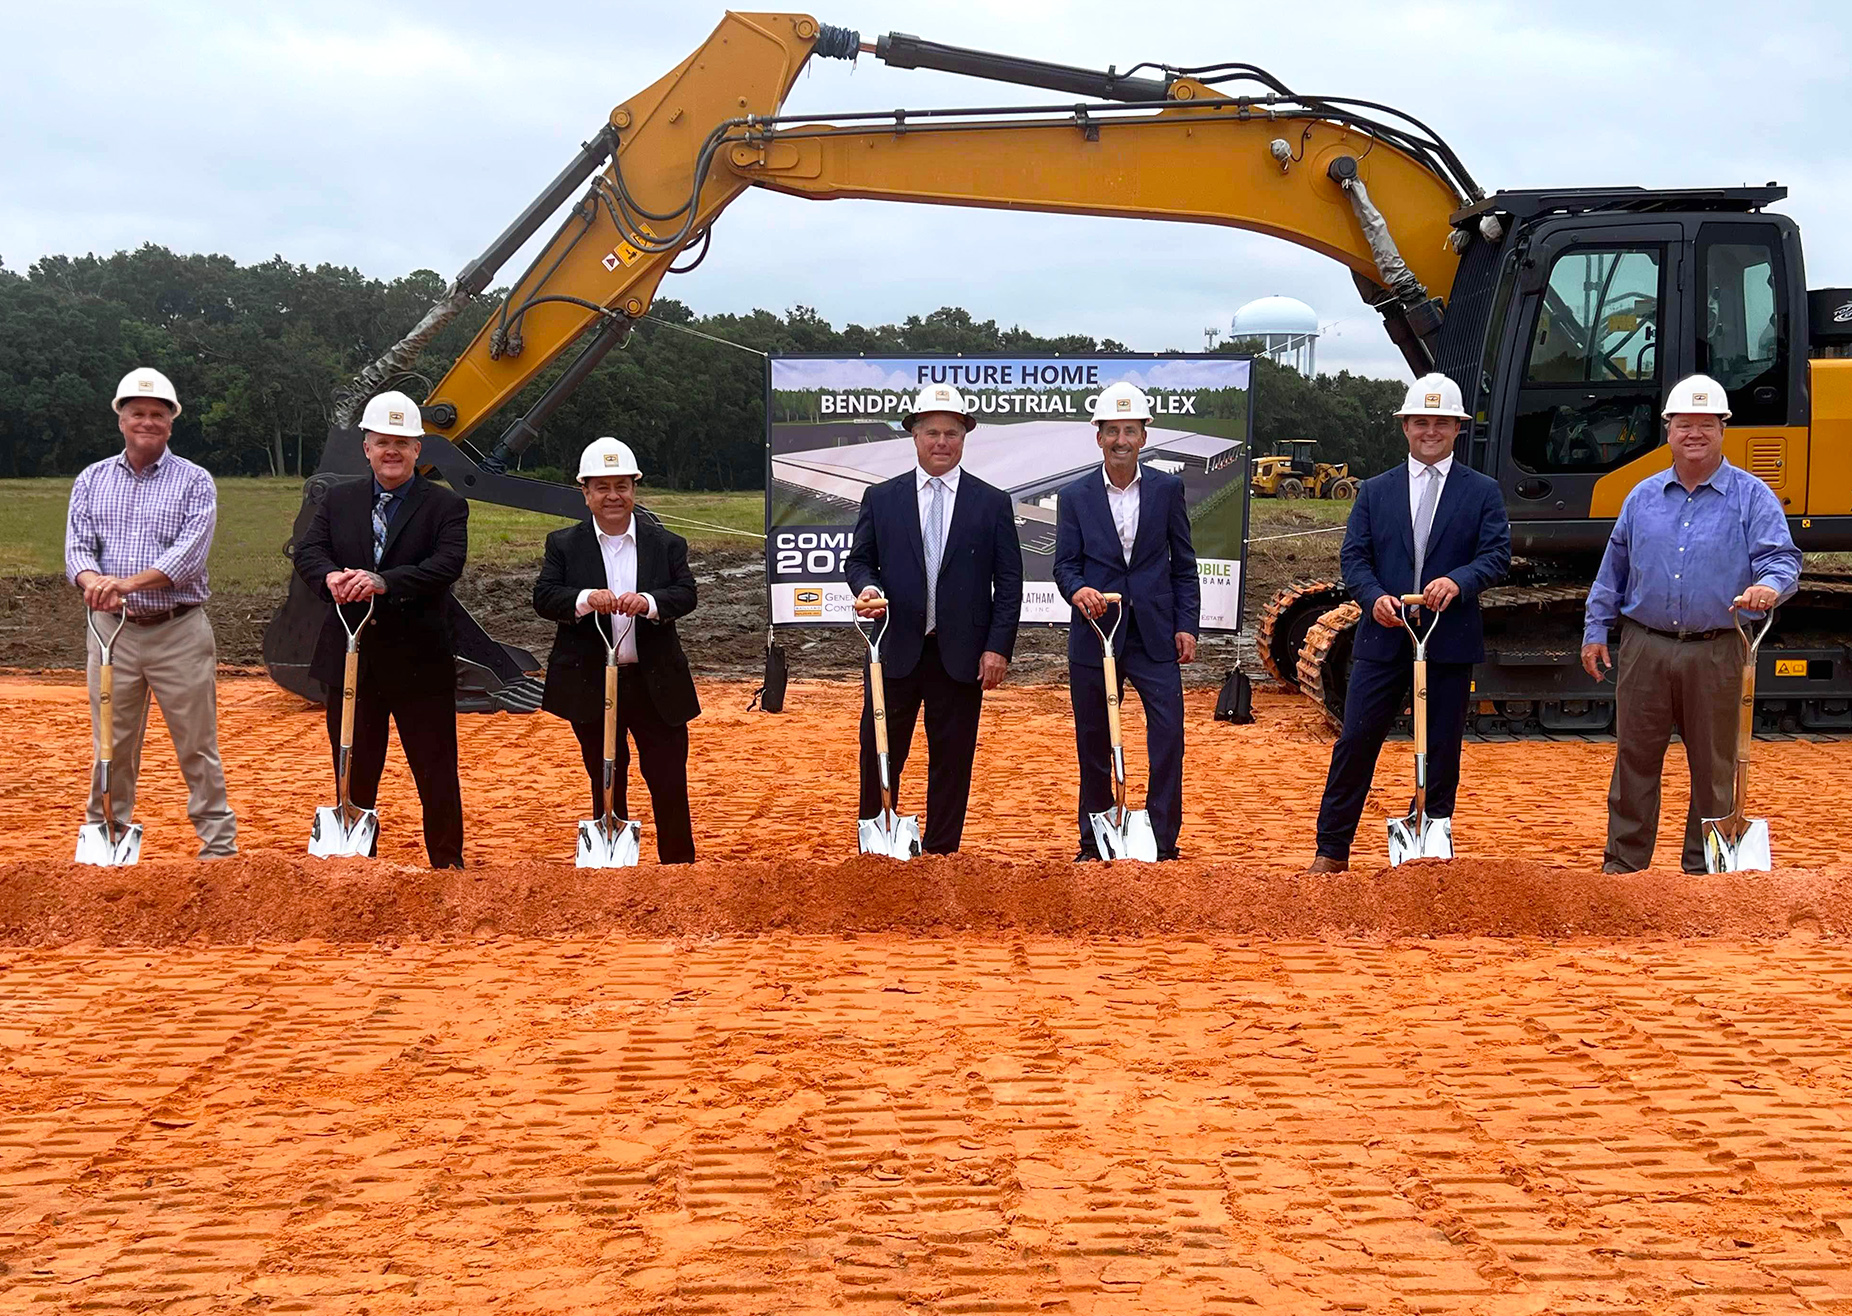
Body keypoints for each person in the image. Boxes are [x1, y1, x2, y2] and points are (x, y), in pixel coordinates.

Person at [1581, 373, 1801, 873]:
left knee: (1715, 766)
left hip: (1720, 646)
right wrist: (1596, 630)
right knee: (1634, 760)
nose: (1695, 433)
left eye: (1707, 424)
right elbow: (1613, 569)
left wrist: (1770, 587)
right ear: (1668, 430)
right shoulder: (1640, 497)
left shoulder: (1752, 497)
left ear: (1723, 429)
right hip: (1645, 645)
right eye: (1685, 424)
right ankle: (1625, 866)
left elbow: (1782, 560)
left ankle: (1704, 871)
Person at [1307, 373, 1511, 872]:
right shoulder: (1375, 492)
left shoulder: (1482, 492)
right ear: (1404, 426)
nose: (1430, 431)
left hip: (1448, 638)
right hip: (1384, 638)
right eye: (1421, 421)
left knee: (1441, 745)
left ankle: (1428, 843)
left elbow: (1496, 556)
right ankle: (1331, 850)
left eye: (1441, 423)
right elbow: (1354, 558)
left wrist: (1459, 582)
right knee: (1356, 740)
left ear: (1457, 429)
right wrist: (1373, 597)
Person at [64, 367, 238, 858]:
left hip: (177, 629)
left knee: (197, 745)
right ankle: (107, 836)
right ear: (121, 419)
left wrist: (125, 583)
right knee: (110, 746)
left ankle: (218, 848)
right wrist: (91, 581)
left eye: (157, 414)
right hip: (109, 633)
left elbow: (187, 558)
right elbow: (77, 548)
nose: (147, 421)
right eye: (137, 413)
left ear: (170, 422)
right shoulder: (92, 479)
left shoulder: (194, 482)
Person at [293, 390, 469, 868]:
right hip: (351, 659)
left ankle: (447, 868)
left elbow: (446, 565)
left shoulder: (445, 507)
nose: (391, 451)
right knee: (354, 769)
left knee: (435, 773)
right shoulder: (337, 500)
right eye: (381, 441)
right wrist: (330, 576)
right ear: (366, 447)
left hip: (420, 662)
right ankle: (356, 870)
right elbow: (309, 551)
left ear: (418, 449)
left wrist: (382, 582)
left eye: (402, 442)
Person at [846, 382, 1023, 854]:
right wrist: (868, 587)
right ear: (914, 435)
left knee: (953, 759)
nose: (941, 442)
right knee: (881, 752)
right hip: (894, 650)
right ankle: (877, 848)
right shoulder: (882, 498)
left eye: (952, 433)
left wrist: (997, 647)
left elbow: (1009, 584)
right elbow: (860, 561)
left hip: (962, 655)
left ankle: (943, 854)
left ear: (964, 437)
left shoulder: (992, 503)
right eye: (932, 433)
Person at [533, 437, 700, 863]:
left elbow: (685, 594)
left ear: (634, 490)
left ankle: (680, 871)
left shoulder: (666, 544)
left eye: (621, 486)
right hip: (590, 683)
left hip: (655, 684)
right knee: (606, 773)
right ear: (585, 493)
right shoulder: (563, 545)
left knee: (667, 779)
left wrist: (649, 603)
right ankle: (612, 867)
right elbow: (545, 597)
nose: (613, 496)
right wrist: (586, 598)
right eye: (602, 487)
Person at [1053, 381, 1199, 861]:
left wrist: (1186, 625)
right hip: (1096, 636)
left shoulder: (1167, 489)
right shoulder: (1075, 496)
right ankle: (1093, 841)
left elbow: (1184, 563)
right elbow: (1065, 565)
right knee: (1092, 739)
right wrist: (1078, 591)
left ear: (1143, 436)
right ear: (1098, 436)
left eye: (1130, 430)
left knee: (1168, 736)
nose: (1121, 439)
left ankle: (1161, 839)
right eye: (1112, 430)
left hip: (1155, 635)